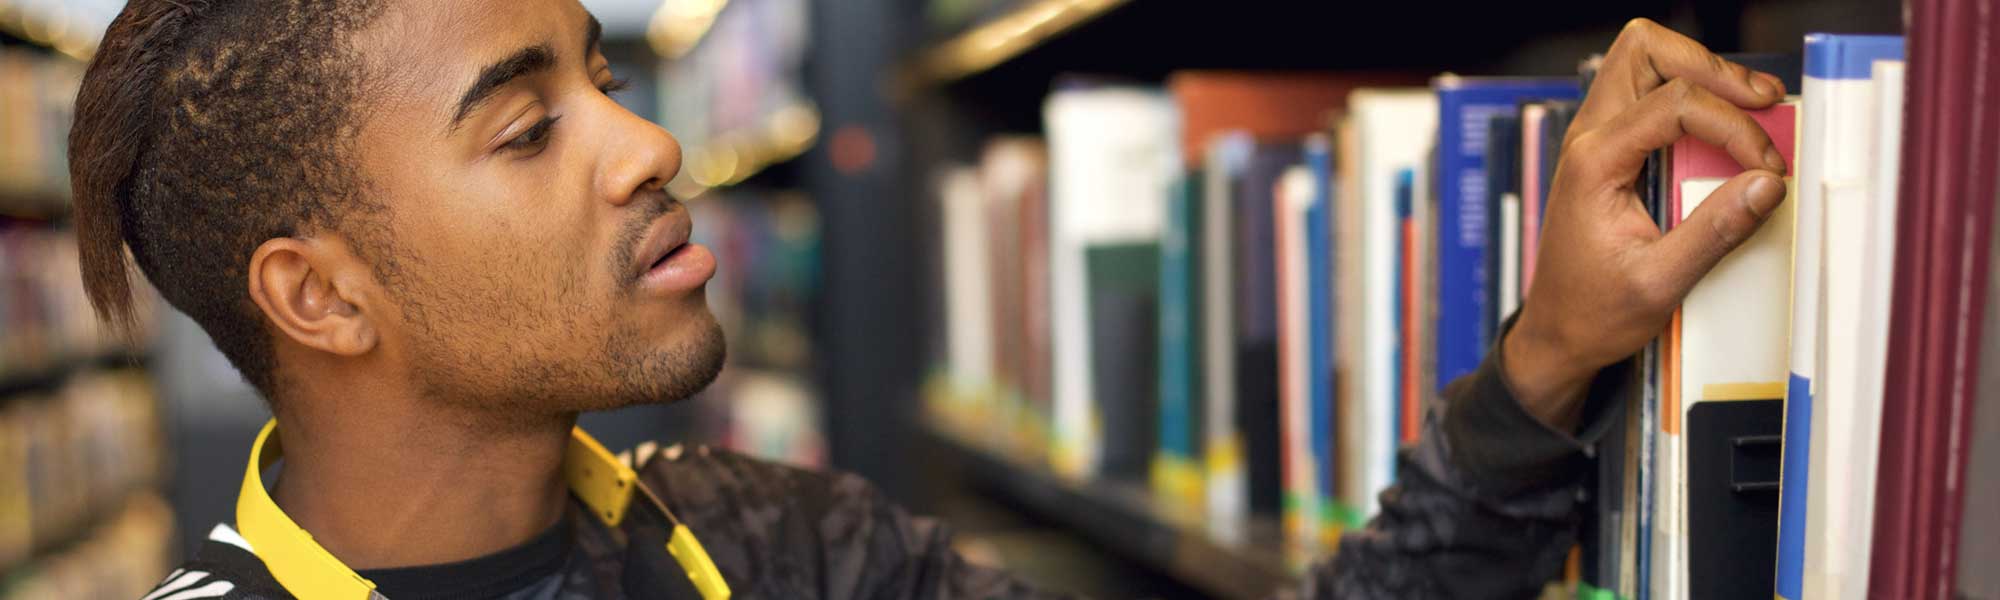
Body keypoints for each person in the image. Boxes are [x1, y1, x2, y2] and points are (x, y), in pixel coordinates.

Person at [70, 0, 1791, 598]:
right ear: (323, 295)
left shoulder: (771, 543)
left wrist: (1554, 354)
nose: (647, 140)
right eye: (527, 129)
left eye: (603, 73)